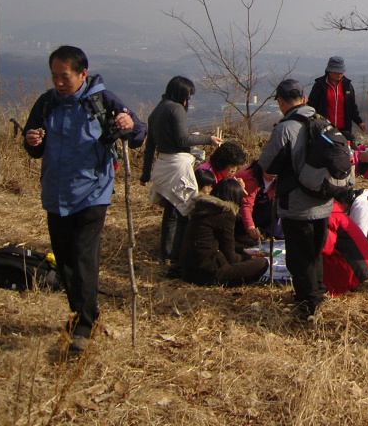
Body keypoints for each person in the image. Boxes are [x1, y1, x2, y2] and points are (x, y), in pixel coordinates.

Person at [22, 45, 146, 353]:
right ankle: (81, 314)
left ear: (82, 74)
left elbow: (139, 130)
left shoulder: (102, 101)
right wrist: (32, 140)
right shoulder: (47, 103)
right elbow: (34, 146)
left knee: (82, 256)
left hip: (93, 191)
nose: (59, 82)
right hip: (56, 192)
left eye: (65, 76)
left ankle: (84, 325)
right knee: (64, 260)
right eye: (54, 76)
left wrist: (129, 126)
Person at [254, 79, 333, 321]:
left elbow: (267, 165)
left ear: (280, 102)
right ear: (304, 99)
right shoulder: (324, 122)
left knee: (299, 257)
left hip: (297, 203)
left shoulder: (285, 128)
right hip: (324, 200)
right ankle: (318, 292)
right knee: (315, 251)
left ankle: (307, 304)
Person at [141, 76, 222, 267]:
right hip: (177, 164)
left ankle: (167, 252)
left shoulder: (157, 110)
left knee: (171, 210)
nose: (188, 100)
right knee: (185, 208)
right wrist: (208, 139)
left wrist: (146, 173)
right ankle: (179, 253)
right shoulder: (175, 109)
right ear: (181, 94)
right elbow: (183, 140)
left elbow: (149, 146)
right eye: (188, 96)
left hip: (162, 164)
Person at [178, 179, 269, 287]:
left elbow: (222, 243)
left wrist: (243, 250)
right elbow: (230, 256)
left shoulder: (202, 208)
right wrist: (248, 258)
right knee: (262, 263)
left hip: (188, 270)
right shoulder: (225, 214)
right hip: (208, 273)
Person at [307, 56, 367, 142]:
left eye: (341, 72)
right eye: (337, 72)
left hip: (344, 128)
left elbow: (352, 106)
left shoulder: (347, 86)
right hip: (324, 128)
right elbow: (312, 105)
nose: (340, 74)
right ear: (330, 71)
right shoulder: (320, 85)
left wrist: (359, 122)